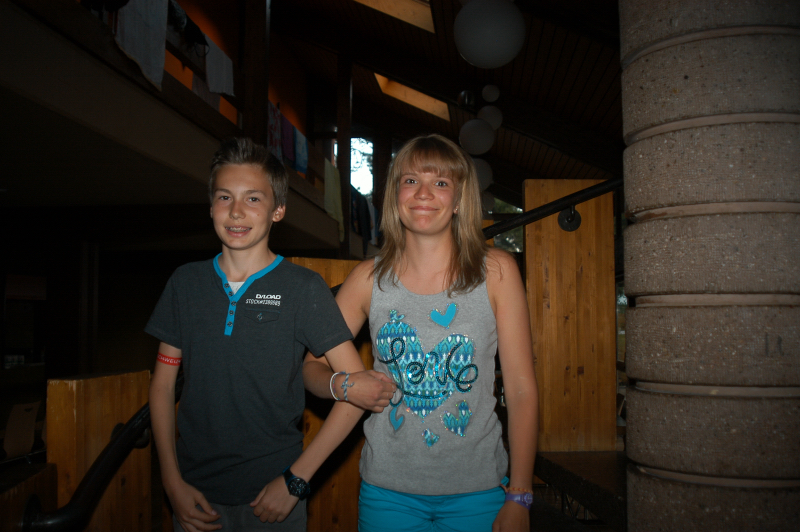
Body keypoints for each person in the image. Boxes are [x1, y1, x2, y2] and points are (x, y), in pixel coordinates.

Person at [147, 138, 395, 532]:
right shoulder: (185, 283)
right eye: (225, 197)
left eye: (253, 198)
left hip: (273, 497)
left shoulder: (303, 288)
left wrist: (297, 480)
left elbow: (356, 394)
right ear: (211, 206)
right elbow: (162, 387)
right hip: (193, 494)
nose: (236, 211)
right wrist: (171, 480)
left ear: (278, 210)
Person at [304, 134, 539, 531]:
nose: (423, 193)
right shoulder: (367, 279)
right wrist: (343, 385)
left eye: (440, 182)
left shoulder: (497, 271)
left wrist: (519, 494)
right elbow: (310, 365)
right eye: (411, 180)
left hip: (480, 491)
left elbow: (520, 391)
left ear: (459, 199)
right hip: (387, 494)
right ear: (395, 195)